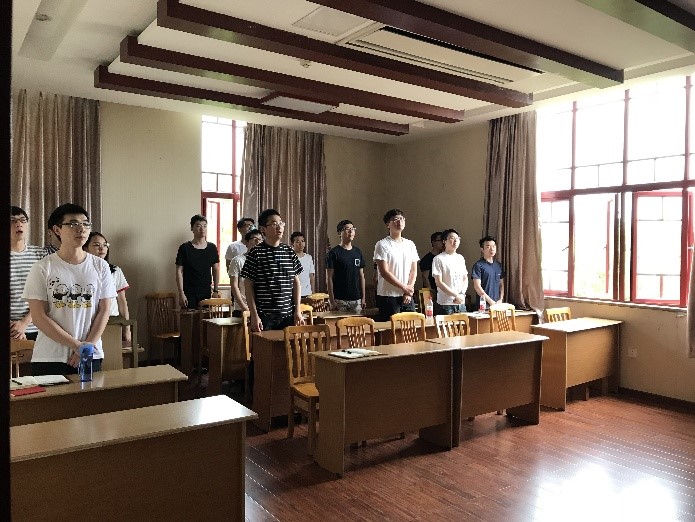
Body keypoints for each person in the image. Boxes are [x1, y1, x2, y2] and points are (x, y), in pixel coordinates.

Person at [22, 203, 116, 376]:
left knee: (91, 394)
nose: (81, 229)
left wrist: (86, 347)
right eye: (73, 224)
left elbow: (104, 310)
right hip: (50, 357)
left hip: (90, 354)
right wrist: (76, 345)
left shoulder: (101, 266)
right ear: (57, 230)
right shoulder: (42, 267)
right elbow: (39, 316)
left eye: (85, 224)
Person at [241, 209, 304, 332]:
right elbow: (248, 286)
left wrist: (297, 310)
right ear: (263, 229)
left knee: (289, 345)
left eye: (281, 223)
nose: (279, 227)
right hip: (264, 317)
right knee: (264, 345)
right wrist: (254, 315)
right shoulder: (256, 253)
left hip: (288, 316)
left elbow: (296, 283)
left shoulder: (289, 251)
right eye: (274, 224)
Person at [84, 231, 131, 345]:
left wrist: (127, 328)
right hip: (88, 323)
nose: (102, 248)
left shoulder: (115, 271)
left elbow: (122, 301)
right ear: (85, 248)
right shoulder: (81, 271)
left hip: (112, 321)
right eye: (96, 245)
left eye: (105, 245)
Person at [373, 208, 419, 322]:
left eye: (401, 219)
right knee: (391, 328)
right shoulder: (382, 244)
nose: (399, 221)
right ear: (388, 225)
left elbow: (413, 270)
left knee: (411, 326)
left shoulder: (410, 244)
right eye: (395, 219)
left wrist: (408, 291)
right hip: (388, 296)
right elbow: (384, 272)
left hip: (407, 295)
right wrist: (404, 287)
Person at [10, 206, 46, 341]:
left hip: (40, 328)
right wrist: (14, 329)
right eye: (12, 221)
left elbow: (47, 293)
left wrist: (24, 323)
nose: (18, 224)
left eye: (23, 220)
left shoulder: (41, 254)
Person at [175, 214, 220, 310]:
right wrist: (181, 293)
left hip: (206, 292)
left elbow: (216, 269)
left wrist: (216, 290)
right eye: (198, 226)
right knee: (188, 318)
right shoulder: (185, 248)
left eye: (205, 226)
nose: (202, 229)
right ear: (192, 228)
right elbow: (179, 271)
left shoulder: (212, 248)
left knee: (206, 318)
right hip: (188, 292)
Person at [326, 219, 366, 312]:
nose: (351, 231)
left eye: (353, 229)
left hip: (356, 299)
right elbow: (329, 278)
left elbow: (361, 276)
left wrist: (363, 297)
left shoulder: (358, 252)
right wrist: (332, 300)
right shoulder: (333, 253)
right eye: (347, 229)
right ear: (339, 233)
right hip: (339, 300)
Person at [431, 229, 468, 315]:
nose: (455, 241)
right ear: (444, 241)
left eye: (457, 238)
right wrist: (456, 295)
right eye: (452, 238)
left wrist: (462, 294)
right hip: (445, 304)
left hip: (460, 302)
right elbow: (439, 282)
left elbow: (465, 278)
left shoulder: (460, 258)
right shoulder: (438, 259)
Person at [228, 229, 263, 317]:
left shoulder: (265, 261)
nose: (257, 242)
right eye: (254, 239)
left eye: (260, 239)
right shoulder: (237, 260)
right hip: (242, 308)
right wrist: (244, 307)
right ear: (246, 242)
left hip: (261, 309)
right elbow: (234, 285)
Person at [471, 235, 505, 309]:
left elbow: (501, 285)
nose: (492, 249)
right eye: (488, 247)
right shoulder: (478, 265)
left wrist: (500, 299)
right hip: (483, 306)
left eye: (493, 246)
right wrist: (490, 302)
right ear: (482, 250)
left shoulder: (498, 265)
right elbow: (477, 286)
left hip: (497, 305)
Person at [290, 231, 315, 298]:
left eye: (303, 241)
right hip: (294, 295)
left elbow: (311, 276)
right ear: (292, 244)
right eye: (297, 242)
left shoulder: (309, 257)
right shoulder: (289, 258)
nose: (301, 244)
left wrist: (313, 292)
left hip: (307, 294)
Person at [419, 231, 444, 296]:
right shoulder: (427, 259)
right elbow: (425, 277)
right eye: (440, 240)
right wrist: (430, 291)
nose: (443, 243)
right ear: (433, 242)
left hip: (442, 291)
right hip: (430, 291)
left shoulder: (444, 257)